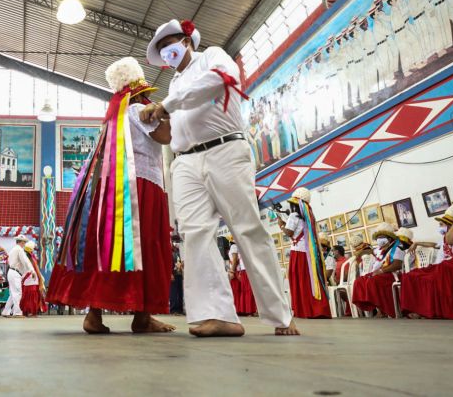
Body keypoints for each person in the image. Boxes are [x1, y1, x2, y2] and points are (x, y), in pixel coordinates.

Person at [141, 19, 298, 337]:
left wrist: (166, 105)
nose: (166, 51)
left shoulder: (212, 56)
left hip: (225, 151)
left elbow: (223, 80)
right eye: (160, 48)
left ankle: (280, 315)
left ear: (187, 41)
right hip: (184, 161)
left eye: (170, 42)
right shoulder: (173, 85)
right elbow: (176, 126)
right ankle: (216, 314)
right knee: (195, 234)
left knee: (248, 229)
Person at [48, 57, 175, 334]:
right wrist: (166, 112)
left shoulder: (113, 118)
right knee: (144, 244)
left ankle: (94, 314)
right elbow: (166, 137)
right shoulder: (139, 110)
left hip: (112, 190)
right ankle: (142, 315)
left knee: (107, 247)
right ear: (139, 90)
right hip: (140, 186)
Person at [279, 188, 331, 319]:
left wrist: (281, 225)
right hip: (308, 254)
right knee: (308, 280)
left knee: (299, 280)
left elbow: (289, 233)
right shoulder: (308, 217)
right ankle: (316, 309)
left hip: (298, 253)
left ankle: (303, 309)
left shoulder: (293, 216)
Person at [400, 205, 453, 319]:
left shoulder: (452, 237)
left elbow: (451, 243)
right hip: (439, 268)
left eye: (442, 224)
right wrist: (417, 243)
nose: (439, 227)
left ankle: (429, 311)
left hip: (448, 269)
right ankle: (416, 309)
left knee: (442, 269)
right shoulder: (443, 239)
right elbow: (433, 245)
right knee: (410, 276)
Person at [351, 223, 407, 317]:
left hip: (391, 274)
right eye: (378, 237)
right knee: (359, 281)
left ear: (389, 239)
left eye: (382, 237)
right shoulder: (378, 250)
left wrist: (381, 271)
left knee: (373, 281)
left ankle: (382, 310)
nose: (379, 239)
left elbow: (397, 265)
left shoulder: (397, 248)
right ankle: (372, 307)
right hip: (378, 273)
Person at [3, 235, 30, 318]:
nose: (24, 244)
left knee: (13, 294)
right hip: (15, 273)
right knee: (17, 293)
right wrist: (30, 270)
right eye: (24, 242)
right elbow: (24, 262)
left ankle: (6, 311)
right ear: (21, 242)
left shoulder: (13, 250)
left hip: (12, 272)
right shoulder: (19, 250)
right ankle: (17, 312)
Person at [230, 240, 257, 316]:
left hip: (243, 269)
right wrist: (233, 271)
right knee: (246, 290)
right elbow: (235, 260)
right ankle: (248, 310)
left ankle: (246, 310)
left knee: (245, 290)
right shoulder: (234, 246)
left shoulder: (236, 246)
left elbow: (235, 260)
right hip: (242, 269)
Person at [20, 241, 46, 317]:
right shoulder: (32, 259)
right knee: (33, 296)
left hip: (26, 280)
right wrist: (41, 280)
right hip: (32, 280)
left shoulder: (24, 259)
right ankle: (32, 312)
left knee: (26, 296)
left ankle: (27, 312)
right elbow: (37, 271)